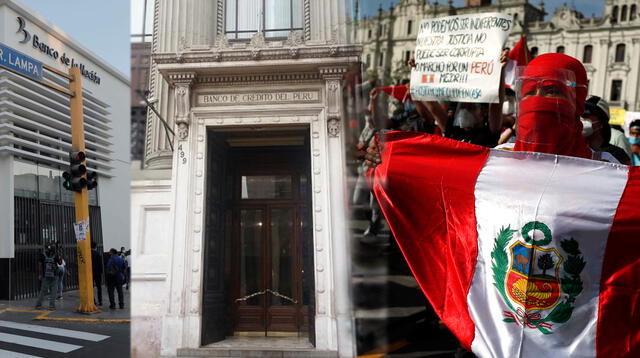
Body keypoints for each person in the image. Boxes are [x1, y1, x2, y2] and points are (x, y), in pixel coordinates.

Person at [581, 96, 630, 164]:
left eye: (585, 114)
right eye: (579, 114)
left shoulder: (618, 155)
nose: (581, 119)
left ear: (602, 122)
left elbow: (627, 174)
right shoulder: (573, 148)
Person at [35, 244, 61, 310]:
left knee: (43, 291)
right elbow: (60, 263)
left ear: (45, 248)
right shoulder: (55, 254)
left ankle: (38, 305)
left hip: (45, 275)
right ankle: (52, 306)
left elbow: (40, 266)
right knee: (54, 291)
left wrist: (40, 274)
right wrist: (59, 254)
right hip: (55, 275)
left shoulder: (42, 255)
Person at [91, 242, 104, 306]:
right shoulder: (98, 254)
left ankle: (93, 300)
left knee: (91, 287)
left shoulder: (88, 254)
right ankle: (100, 301)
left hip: (91, 273)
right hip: (98, 273)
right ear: (96, 247)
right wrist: (101, 272)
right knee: (99, 287)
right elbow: (100, 264)